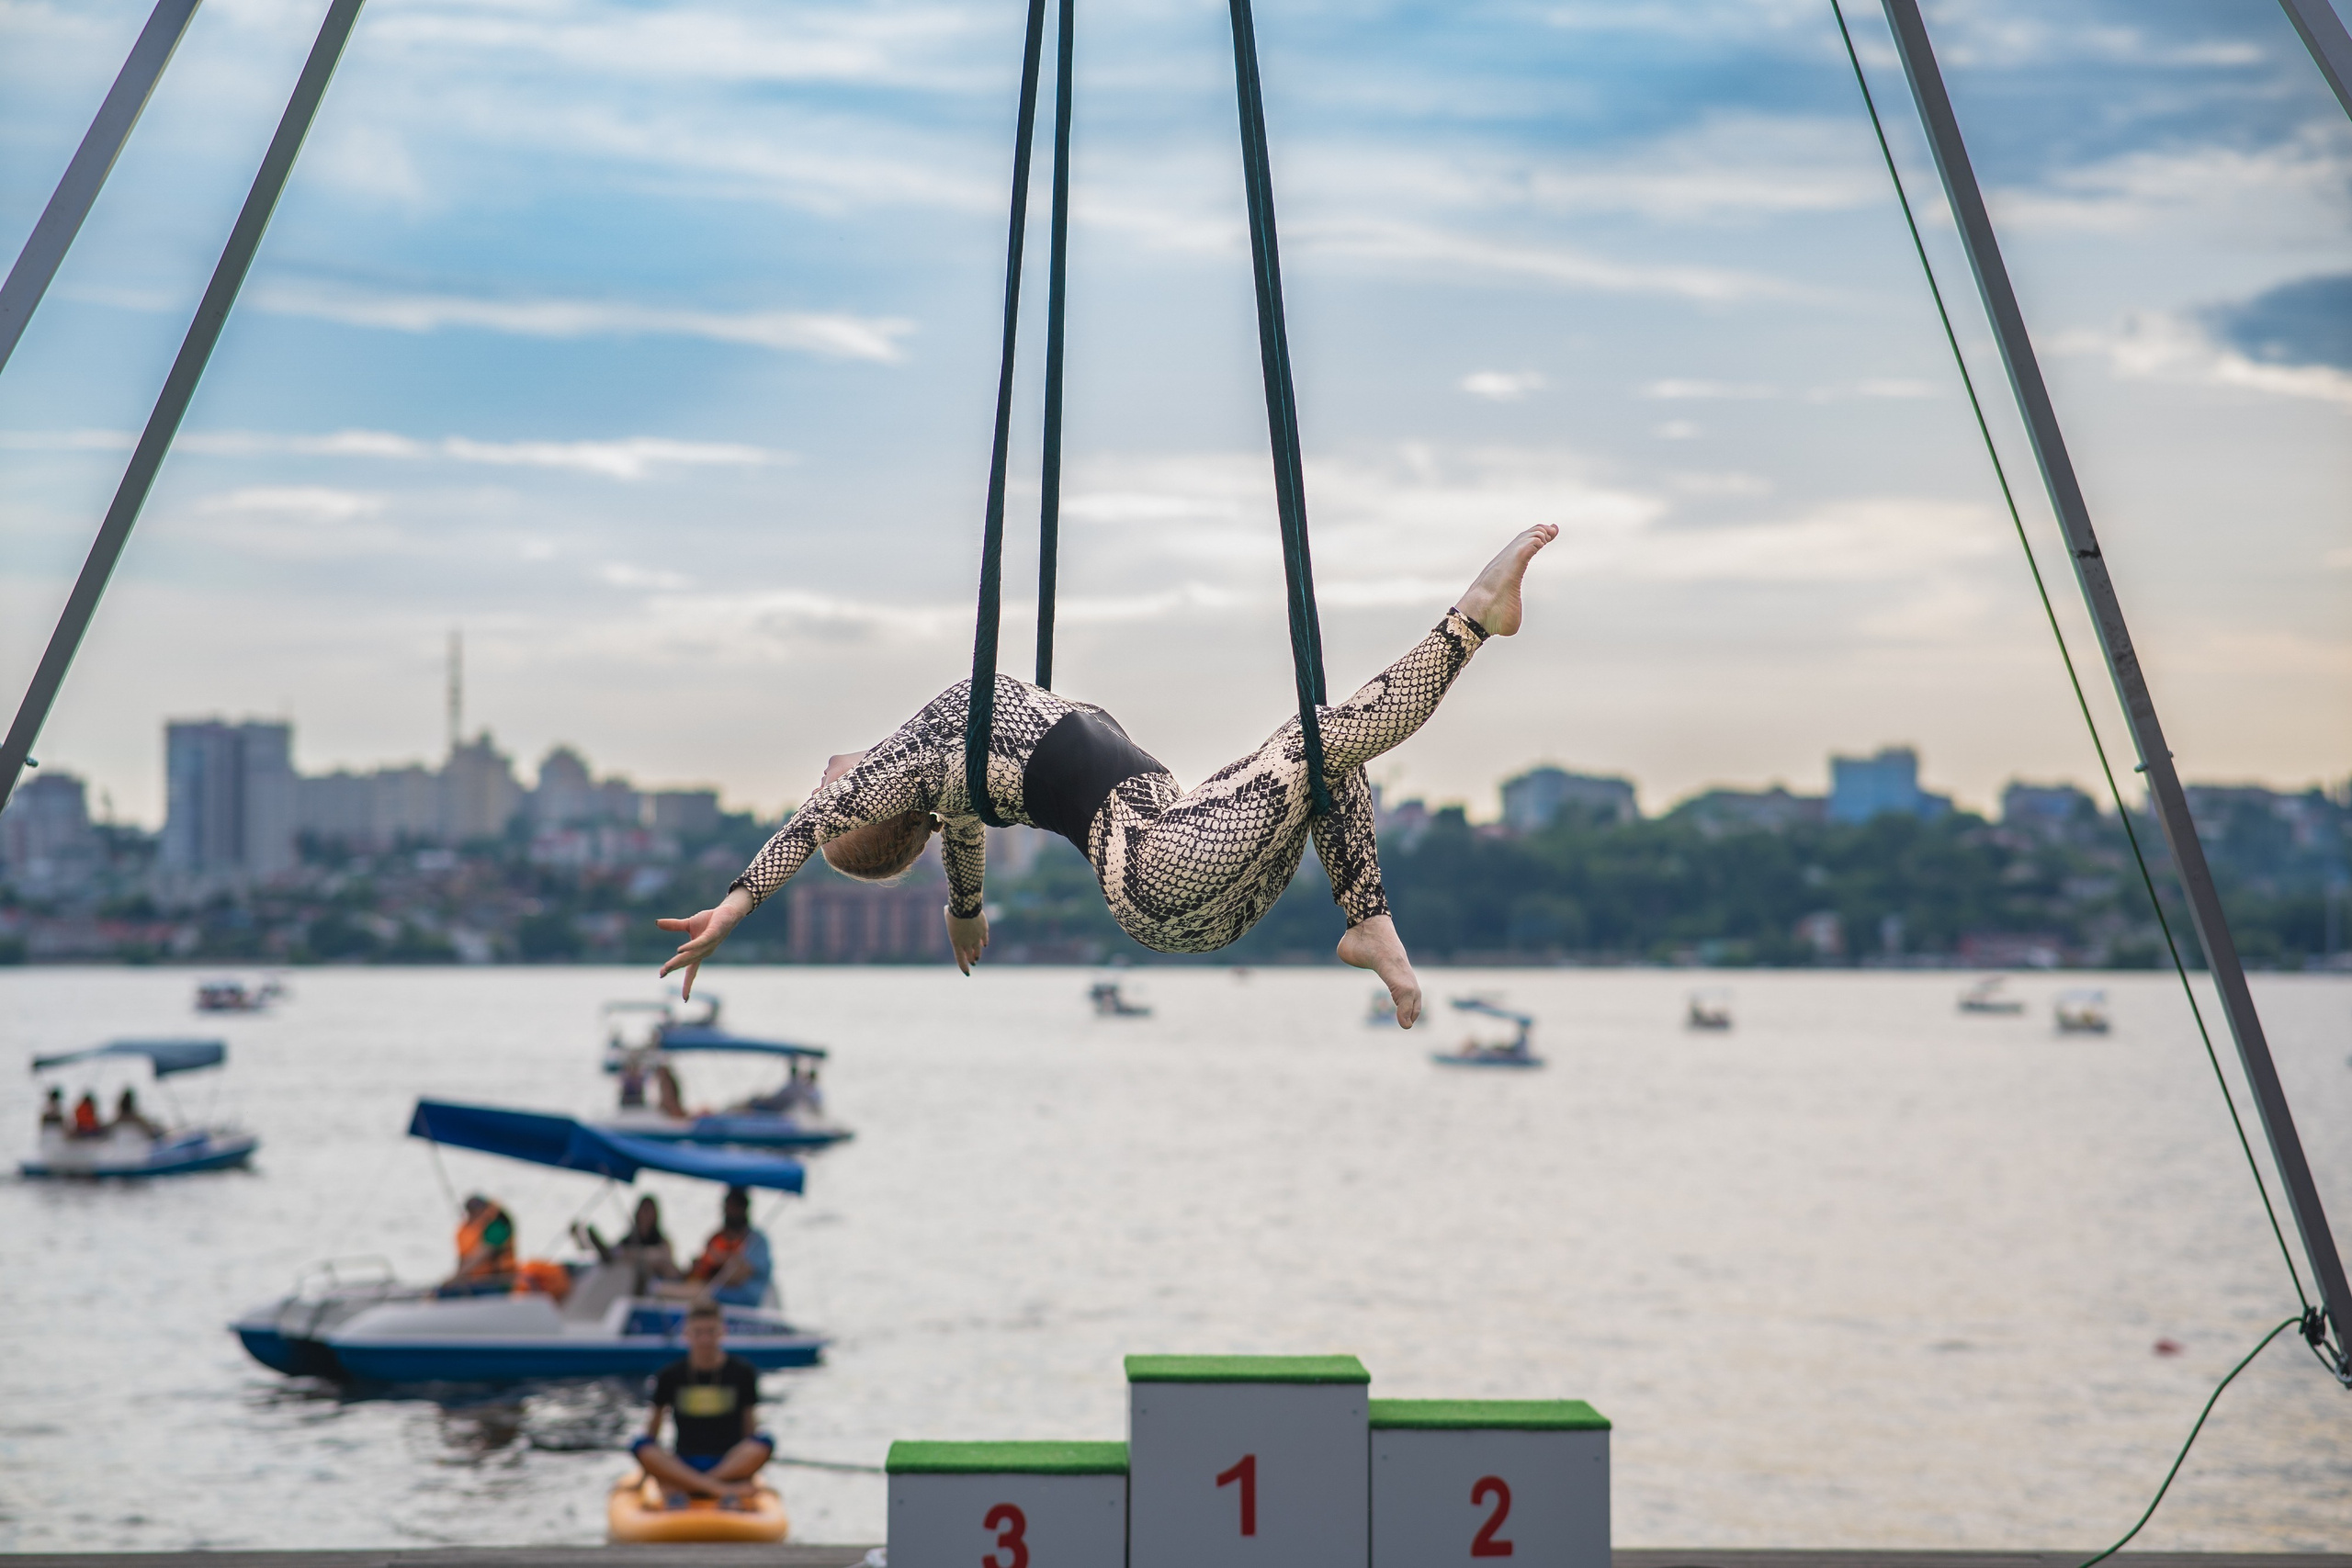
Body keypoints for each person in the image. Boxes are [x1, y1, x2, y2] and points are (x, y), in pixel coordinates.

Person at [658, 525, 1560, 1029]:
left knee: (1337, 774)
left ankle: (1369, 931)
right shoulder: (914, 760)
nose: (830, 770)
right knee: (1316, 738)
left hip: (1185, 880)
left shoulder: (953, 787)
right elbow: (815, 821)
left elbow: (960, 849)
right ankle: (1472, 621)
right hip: (1159, 865)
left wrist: (963, 917)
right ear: (871, 805)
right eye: (834, 781)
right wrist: (731, 910)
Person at [632, 1300, 774, 1505]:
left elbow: (750, 1430)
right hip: (684, 1461)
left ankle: (690, 1486)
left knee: (764, 1443)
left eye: (711, 1332)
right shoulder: (669, 1375)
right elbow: (652, 1432)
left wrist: (750, 1469)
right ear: (687, 1334)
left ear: (722, 1332)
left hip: (728, 1461)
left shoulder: (743, 1373)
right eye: (699, 1332)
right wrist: (644, 1475)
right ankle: (718, 1488)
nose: (705, 1340)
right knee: (642, 1446)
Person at [662, 1187, 774, 1308]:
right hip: (711, 1289)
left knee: (701, 1291)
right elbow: (705, 1264)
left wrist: (719, 1260)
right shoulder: (716, 1237)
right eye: (726, 1207)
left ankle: (662, 1291)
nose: (728, 1211)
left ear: (744, 1209)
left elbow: (737, 1276)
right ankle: (660, 1290)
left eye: (733, 1207)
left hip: (742, 1299)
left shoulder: (757, 1240)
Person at [574, 1195, 682, 1294]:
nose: (645, 1215)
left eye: (649, 1211)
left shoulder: (661, 1241)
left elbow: (665, 1258)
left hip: (655, 1284)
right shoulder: (628, 1240)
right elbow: (607, 1253)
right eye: (643, 1210)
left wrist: (636, 1254)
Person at [442, 1194, 517, 1295]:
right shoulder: (469, 1229)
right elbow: (463, 1261)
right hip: (473, 1282)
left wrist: (455, 1278)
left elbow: (479, 1257)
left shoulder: (497, 1227)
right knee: (444, 1293)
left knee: (450, 1293)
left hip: (498, 1283)